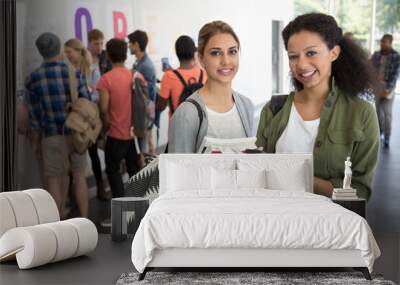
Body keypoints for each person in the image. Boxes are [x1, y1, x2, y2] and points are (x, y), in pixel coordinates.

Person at [256, 13, 380, 200]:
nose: (302, 64)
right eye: (293, 56)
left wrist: (303, 178)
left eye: (311, 53)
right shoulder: (273, 110)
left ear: (334, 53)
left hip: (330, 226)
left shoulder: (361, 114)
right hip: (275, 222)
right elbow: (257, 172)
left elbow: (360, 191)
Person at [25, 32, 90, 217]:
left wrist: (35, 141)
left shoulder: (33, 78)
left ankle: (58, 222)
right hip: (76, 133)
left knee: (54, 179)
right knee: (79, 176)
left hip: (51, 135)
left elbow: (35, 115)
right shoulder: (73, 72)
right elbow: (86, 101)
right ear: (58, 48)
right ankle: (84, 218)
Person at [168, 21, 254, 153]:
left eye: (232, 51)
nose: (226, 61)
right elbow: (179, 172)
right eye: (216, 53)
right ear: (201, 59)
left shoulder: (246, 106)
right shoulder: (186, 115)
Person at [98, 38, 140, 199]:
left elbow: (103, 108)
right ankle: (139, 209)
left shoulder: (106, 79)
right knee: (134, 172)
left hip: (115, 134)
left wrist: (104, 128)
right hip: (132, 134)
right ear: (125, 55)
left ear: (108, 55)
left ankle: (120, 211)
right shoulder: (134, 75)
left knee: (113, 171)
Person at [86, 29, 112, 200]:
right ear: (89, 42)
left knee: (109, 148)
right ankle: (100, 186)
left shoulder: (104, 59)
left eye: (101, 43)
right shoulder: (84, 60)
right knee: (93, 150)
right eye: (96, 44)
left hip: (103, 108)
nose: (100, 47)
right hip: (89, 112)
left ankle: (109, 181)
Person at [157, 35, 207, 115]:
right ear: (194, 51)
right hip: (199, 125)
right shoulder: (204, 74)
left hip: (178, 125)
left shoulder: (168, 76)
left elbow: (160, 107)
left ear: (177, 53)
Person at [128, 30, 157, 155]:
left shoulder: (146, 66)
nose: (128, 46)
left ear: (136, 44)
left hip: (144, 115)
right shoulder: (138, 63)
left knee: (145, 150)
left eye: (130, 43)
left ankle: (150, 173)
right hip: (142, 114)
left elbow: (150, 95)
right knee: (147, 146)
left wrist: (149, 118)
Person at [371, 34, 400, 148]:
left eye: (385, 42)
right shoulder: (376, 55)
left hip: (389, 89)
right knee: (377, 113)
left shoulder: (396, 56)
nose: (382, 44)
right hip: (376, 88)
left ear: (390, 42)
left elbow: (396, 75)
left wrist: (388, 90)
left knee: (387, 113)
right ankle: (380, 132)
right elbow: (371, 70)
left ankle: (387, 137)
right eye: (381, 41)